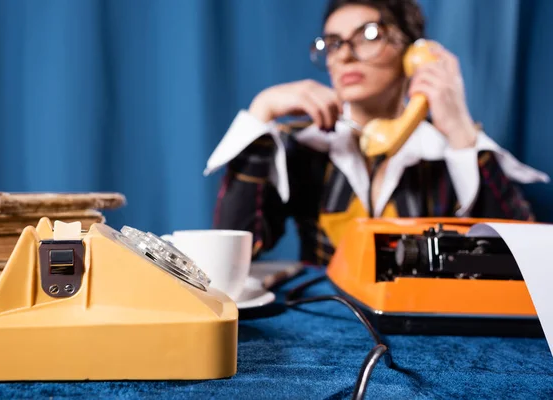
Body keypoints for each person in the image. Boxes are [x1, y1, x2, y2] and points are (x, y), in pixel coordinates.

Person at [204, 0, 549, 266]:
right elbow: (234, 252)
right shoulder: (304, 147)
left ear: (413, 53)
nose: (346, 56)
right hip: (322, 331)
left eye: (370, 35)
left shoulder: (451, 153)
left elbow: (523, 264)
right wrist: (260, 114)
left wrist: (461, 132)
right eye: (333, 43)